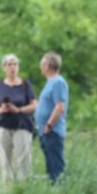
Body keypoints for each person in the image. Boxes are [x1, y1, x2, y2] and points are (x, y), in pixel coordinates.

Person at [0, 53, 37, 183]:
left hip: (22, 125)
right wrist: (1, 109)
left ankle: (24, 185)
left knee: (24, 158)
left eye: (15, 64)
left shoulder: (26, 85)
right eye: (9, 64)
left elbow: (34, 105)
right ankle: (8, 185)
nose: (12, 67)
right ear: (4, 67)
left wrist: (18, 110)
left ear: (18, 67)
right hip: (3, 125)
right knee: (5, 158)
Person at [35, 52, 69, 184]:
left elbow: (60, 106)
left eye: (42, 64)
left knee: (56, 166)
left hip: (52, 131)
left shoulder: (58, 83)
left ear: (47, 65)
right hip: (44, 131)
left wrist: (49, 124)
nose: (40, 66)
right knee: (50, 165)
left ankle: (59, 189)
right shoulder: (49, 83)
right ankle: (53, 189)